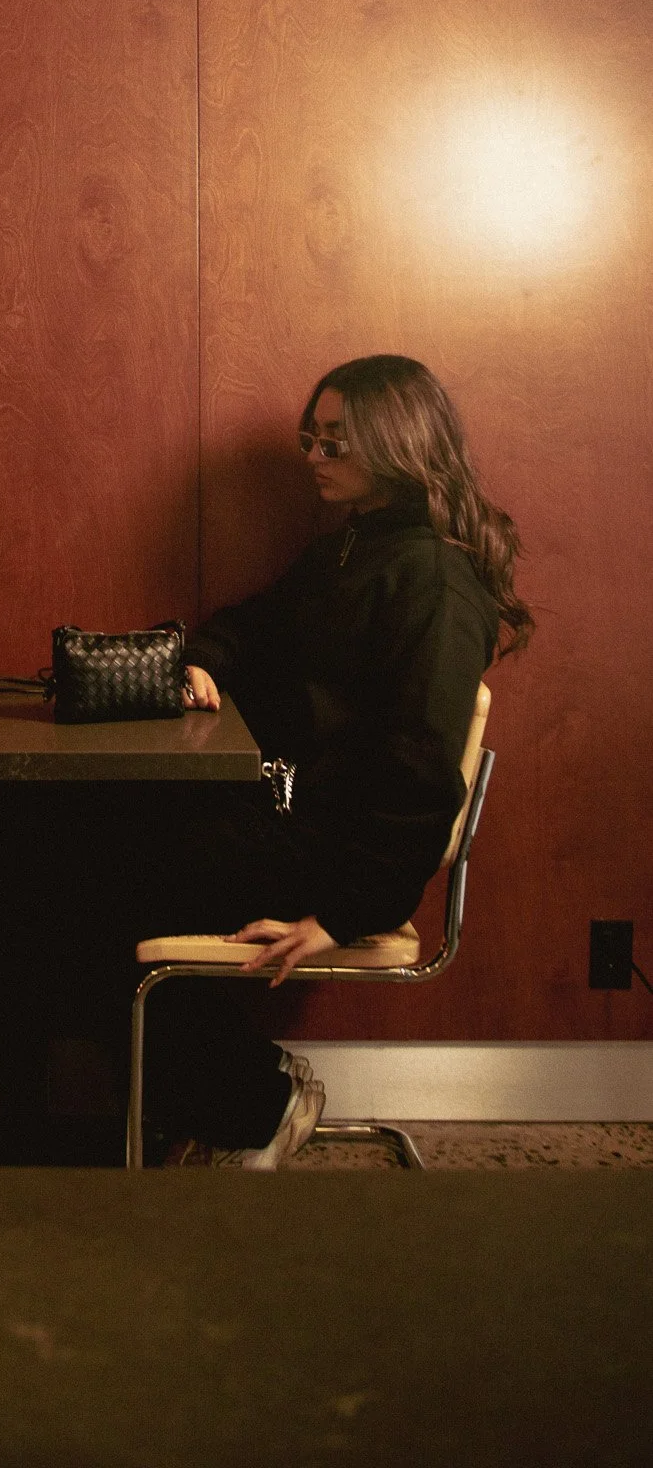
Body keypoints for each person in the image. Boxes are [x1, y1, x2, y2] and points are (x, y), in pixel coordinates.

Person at [136, 353, 533, 1166]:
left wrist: (345, 915)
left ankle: (251, 1102)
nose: (313, 460)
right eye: (308, 441)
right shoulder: (351, 548)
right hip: (293, 818)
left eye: (333, 444)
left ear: (394, 444)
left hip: (336, 855)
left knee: (106, 880)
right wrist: (205, 657)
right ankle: (235, 1092)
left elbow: (421, 773)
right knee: (92, 844)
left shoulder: (432, 581)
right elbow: (254, 620)